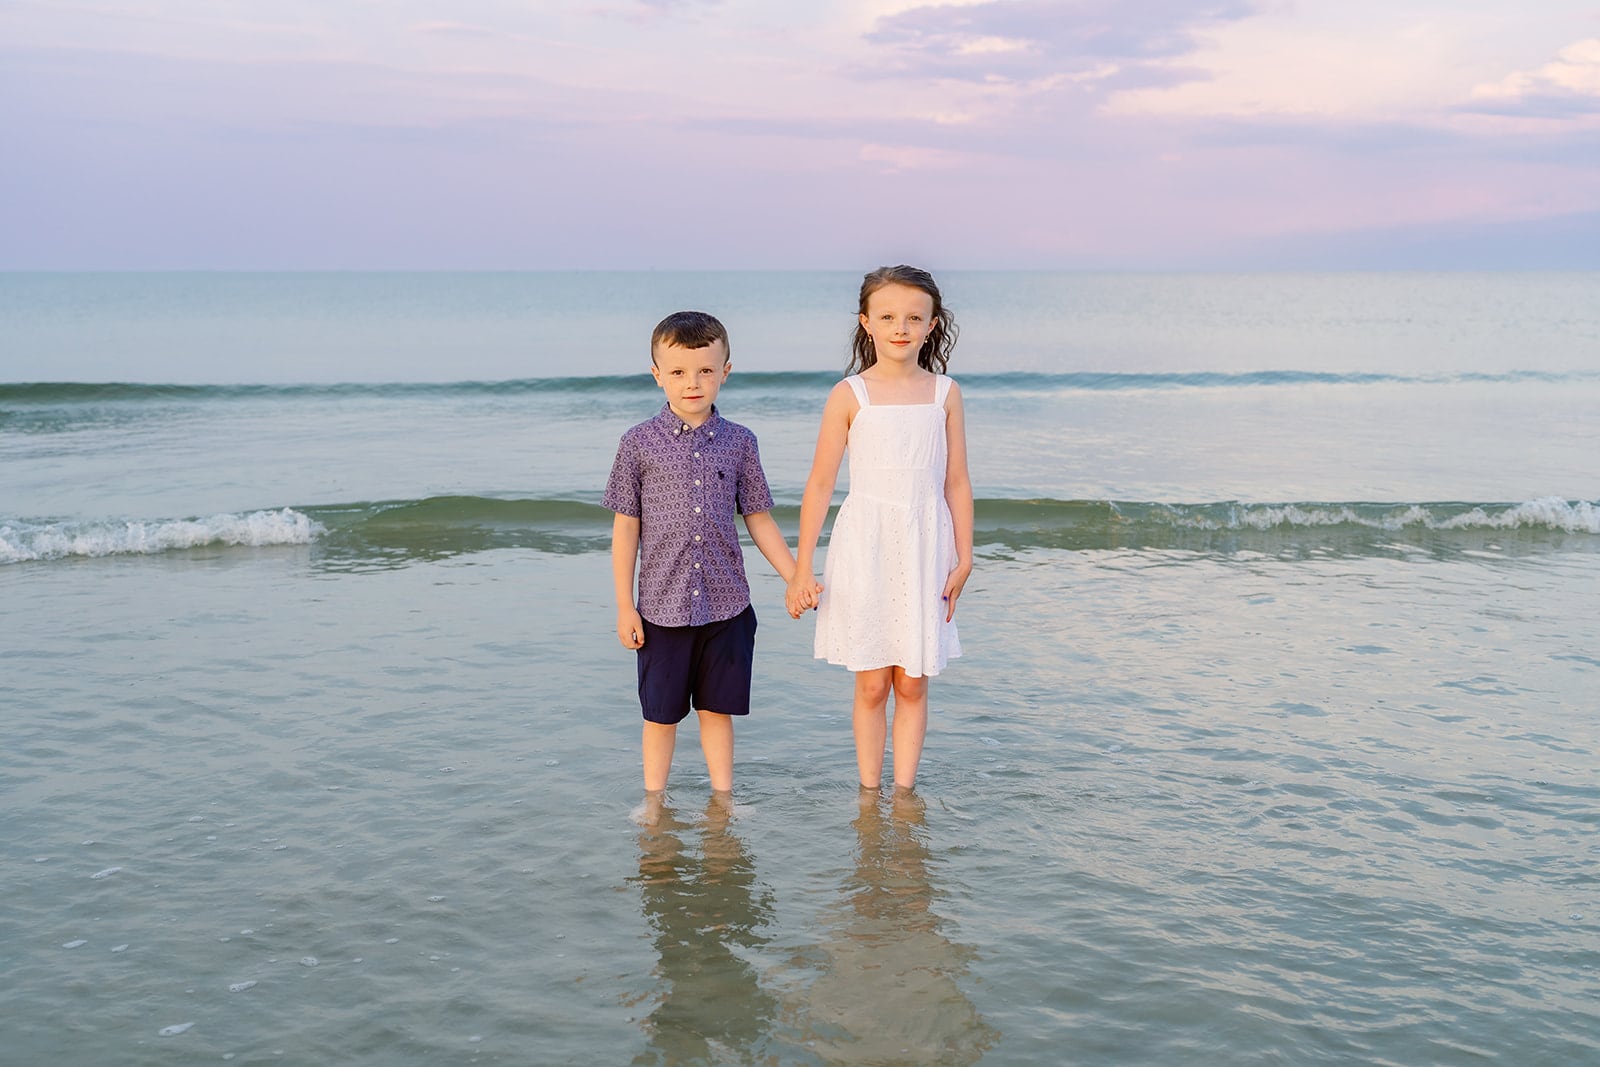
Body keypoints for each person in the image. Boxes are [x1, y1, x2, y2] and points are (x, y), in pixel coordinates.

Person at [785, 265, 974, 795]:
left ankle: (905, 795)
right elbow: (820, 484)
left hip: (925, 544)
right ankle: (870, 794)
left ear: (932, 324)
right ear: (866, 322)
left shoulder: (945, 393)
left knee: (912, 683)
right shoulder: (850, 394)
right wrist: (802, 568)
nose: (901, 328)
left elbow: (957, 480)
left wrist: (965, 557)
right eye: (888, 317)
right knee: (872, 684)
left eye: (914, 317)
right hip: (865, 545)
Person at [605, 311, 801, 798]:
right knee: (660, 716)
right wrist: (625, 606)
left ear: (725, 372)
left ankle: (723, 802)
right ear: (657, 375)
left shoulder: (741, 442)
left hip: (727, 605)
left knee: (717, 711)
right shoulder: (637, 444)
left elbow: (758, 518)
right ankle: (654, 804)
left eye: (705, 371)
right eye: (678, 372)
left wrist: (795, 576)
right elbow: (626, 529)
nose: (692, 382)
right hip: (661, 609)